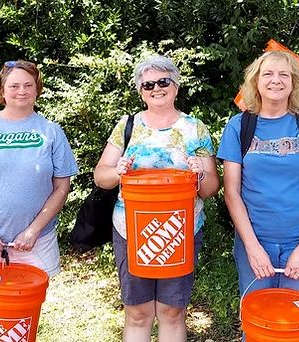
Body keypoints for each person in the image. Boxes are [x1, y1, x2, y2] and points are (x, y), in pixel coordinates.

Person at [0, 60, 79, 342]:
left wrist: (32, 230)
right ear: (2, 90)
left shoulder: (51, 132)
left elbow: (61, 187)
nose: (21, 91)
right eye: (14, 86)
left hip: (34, 240)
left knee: (24, 313)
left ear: (37, 90)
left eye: (28, 85)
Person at [93, 55, 220, 342]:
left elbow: (211, 188)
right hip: (132, 231)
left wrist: (200, 173)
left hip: (181, 231)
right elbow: (101, 176)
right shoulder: (127, 125)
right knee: (137, 313)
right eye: (148, 84)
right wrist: (117, 170)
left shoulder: (194, 128)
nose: (156, 88)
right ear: (141, 91)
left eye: (163, 82)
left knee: (172, 312)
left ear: (175, 86)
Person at [218, 51, 299, 303]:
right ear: (256, 81)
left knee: (298, 323)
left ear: (294, 83)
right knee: (259, 323)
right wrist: (252, 247)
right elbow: (232, 193)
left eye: (284, 75)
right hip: (254, 242)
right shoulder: (239, 127)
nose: (276, 80)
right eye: (268, 74)